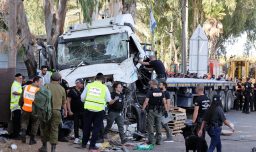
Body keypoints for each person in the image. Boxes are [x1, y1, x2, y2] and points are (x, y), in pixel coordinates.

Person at [80, 73, 112, 150]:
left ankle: (84, 144)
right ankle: (92, 145)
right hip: (99, 110)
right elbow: (108, 100)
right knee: (96, 128)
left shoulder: (89, 85)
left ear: (95, 78)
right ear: (103, 80)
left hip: (88, 109)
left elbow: (82, 98)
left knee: (86, 127)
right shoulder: (104, 87)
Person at [39, 72, 67, 152]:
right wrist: (65, 111)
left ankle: (44, 147)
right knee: (54, 129)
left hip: (46, 111)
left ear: (51, 78)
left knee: (44, 128)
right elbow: (64, 102)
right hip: (57, 111)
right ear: (59, 79)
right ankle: (53, 149)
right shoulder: (62, 88)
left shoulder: (46, 86)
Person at [142, 79, 168, 145]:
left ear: (153, 84)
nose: (150, 85)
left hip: (151, 111)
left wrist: (142, 109)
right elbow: (164, 102)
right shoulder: (161, 92)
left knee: (150, 125)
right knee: (158, 125)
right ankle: (159, 141)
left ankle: (152, 141)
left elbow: (146, 102)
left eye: (150, 84)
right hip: (159, 111)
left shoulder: (150, 92)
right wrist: (166, 110)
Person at [20, 76, 42, 145]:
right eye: (40, 82)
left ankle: (23, 132)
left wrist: (21, 105)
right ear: (35, 82)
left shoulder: (26, 87)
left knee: (24, 121)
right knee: (35, 124)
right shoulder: (38, 90)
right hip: (34, 110)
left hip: (25, 108)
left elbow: (21, 98)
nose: (41, 83)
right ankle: (32, 140)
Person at [67, 78, 84, 144]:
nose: (82, 85)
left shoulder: (83, 90)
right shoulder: (72, 90)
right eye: (81, 83)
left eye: (82, 83)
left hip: (83, 110)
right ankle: (76, 137)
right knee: (76, 125)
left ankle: (83, 137)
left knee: (84, 124)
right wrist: (69, 110)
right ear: (77, 83)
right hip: (75, 111)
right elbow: (68, 101)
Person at [9, 73, 23, 138]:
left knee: (17, 121)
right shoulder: (15, 84)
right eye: (20, 78)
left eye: (21, 78)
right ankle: (15, 135)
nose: (21, 79)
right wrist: (22, 94)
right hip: (15, 106)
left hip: (18, 106)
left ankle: (16, 134)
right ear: (16, 78)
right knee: (16, 121)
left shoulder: (18, 84)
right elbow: (14, 92)